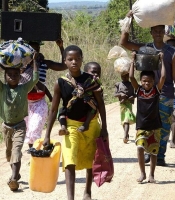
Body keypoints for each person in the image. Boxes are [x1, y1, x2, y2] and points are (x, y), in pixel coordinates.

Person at [120, 10, 175, 166]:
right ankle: (150, 152)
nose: (158, 33)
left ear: (164, 32)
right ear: (151, 32)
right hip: (148, 94)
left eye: (161, 30)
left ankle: (160, 155)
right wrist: (128, 20)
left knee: (164, 125)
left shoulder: (171, 51)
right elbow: (124, 42)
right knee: (149, 124)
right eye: (155, 30)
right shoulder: (145, 48)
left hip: (166, 93)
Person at [43, 45, 108, 200]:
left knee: (91, 159)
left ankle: (87, 191)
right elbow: (53, 110)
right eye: (70, 59)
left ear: (81, 60)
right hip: (71, 125)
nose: (74, 62)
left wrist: (104, 127)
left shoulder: (90, 80)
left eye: (77, 59)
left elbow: (100, 104)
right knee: (69, 160)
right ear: (64, 61)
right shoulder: (60, 83)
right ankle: (70, 198)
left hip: (91, 124)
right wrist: (47, 135)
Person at [0, 50, 39, 191]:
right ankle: (16, 174)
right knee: (9, 154)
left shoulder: (24, 88)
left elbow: (35, 78)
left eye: (16, 74)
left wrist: (34, 61)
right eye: (9, 75)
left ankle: (14, 179)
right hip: (6, 127)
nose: (13, 77)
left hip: (20, 126)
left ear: (20, 76)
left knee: (16, 152)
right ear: (5, 76)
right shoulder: (2, 89)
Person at [21, 40, 67, 149]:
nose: (35, 52)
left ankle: (34, 151)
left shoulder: (44, 63)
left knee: (35, 127)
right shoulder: (21, 65)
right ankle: (32, 151)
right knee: (27, 129)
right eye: (32, 50)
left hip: (39, 102)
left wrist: (61, 47)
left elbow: (64, 66)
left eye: (37, 49)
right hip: (24, 103)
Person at [129, 51, 165, 183]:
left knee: (153, 152)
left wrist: (161, 61)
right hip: (142, 125)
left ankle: (151, 175)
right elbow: (131, 77)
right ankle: (143, 173)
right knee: (139, 148)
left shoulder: (156, 90)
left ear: (153, 81)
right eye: (144, 81)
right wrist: (133, 60)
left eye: (149, 81)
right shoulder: (139, 91)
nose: (146, 83)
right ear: (141, 81)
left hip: (155, 126)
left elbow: (163, 77)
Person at [58, 61, 103, 135]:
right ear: (85, 73)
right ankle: (63, 127)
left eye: (98, 73)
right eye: (93, 72)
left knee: (92, 109)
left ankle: (86, 124)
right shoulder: (79, 81)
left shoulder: (96, 83)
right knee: (62, 110)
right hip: (75, 102)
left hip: (90, 104)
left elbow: (100, 99)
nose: (96, 74)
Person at [114, 72, 136, 144]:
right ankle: (126, 133)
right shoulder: (118, 84)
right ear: (121, 77)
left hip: (128, 103)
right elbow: (115, 94)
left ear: (128, 77)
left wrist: (132, 96)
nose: (125, 78)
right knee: (123, 120)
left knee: (127, 120)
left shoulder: (131, 84)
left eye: (126, 77)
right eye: (123, 77)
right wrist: (121, 94)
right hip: (122, 104)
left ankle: (125, 136)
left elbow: (135, 94)